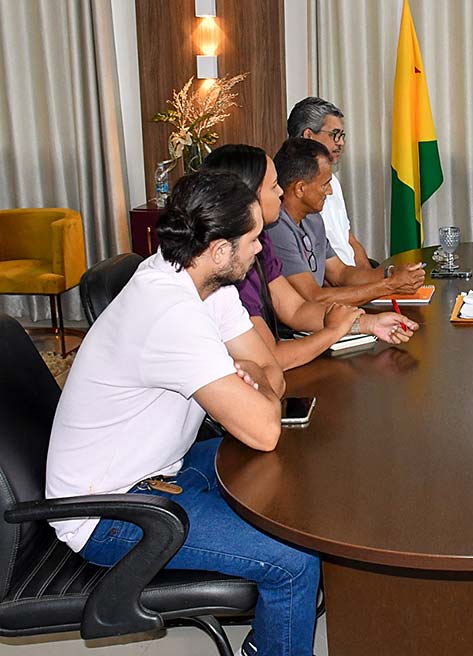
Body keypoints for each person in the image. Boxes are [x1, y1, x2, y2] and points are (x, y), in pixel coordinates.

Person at [46, 171, 321, 656]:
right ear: (219, 249)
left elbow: (271, 368)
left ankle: (271, 637)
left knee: (301, 460)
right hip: (110, 508)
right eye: (253, 240)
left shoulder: (205, 282)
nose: (261, 249)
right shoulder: (169, 310)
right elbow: (263, 429)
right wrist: (252, 382)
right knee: (294, 559)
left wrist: (254, 380)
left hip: (162, 468)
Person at [203, 144, 417, 370]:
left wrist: (369, 323)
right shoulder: (228, 265)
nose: (281, 192)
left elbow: (296, 309)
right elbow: (272, 359)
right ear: (246, 197)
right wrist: (334, 331)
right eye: (274, 186)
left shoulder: (261, 242)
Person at [265, 137, 425, 305]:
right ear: (300, 188)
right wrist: (390, 285)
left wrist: (391, 273)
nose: (330, 191)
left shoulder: (313, 219)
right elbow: (314, 298)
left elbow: (341, 273)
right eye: (325, 184)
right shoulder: (277, 228)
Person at [288, 96, 370, 267]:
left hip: (351, 276)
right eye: (335, 135)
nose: (341, 143)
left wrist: (372, 278)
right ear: (308, 136)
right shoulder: (293, 190)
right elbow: (318, 267)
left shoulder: (334, 182)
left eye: (342, 136)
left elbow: (349, 240)